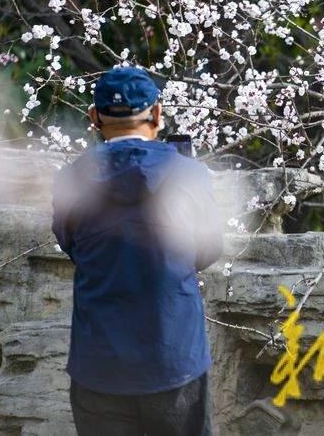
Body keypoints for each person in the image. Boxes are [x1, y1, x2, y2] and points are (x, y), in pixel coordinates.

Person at [52, 66, 222, 435]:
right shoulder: (187, 174)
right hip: (174, 357)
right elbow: (208, 251)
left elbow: (72, 246)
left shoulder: (72, 179)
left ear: (94, 117)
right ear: (157, 114)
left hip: (99, 362)